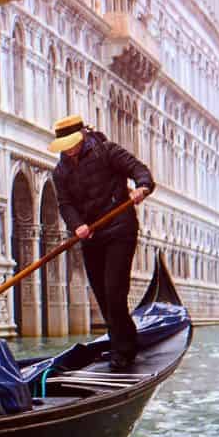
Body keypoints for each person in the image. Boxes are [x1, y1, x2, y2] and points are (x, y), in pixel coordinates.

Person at [48, 115, 154, 369]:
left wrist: (142, 187)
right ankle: (124, 340)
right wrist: (77, 225)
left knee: (115, 294)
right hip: (92, 236)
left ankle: (124, 352)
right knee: (102, 297)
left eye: (72, 144)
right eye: (65, 146)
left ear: (82, 136)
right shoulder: (60, 171)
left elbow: (140, 170)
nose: (69, 150)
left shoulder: (107, 151)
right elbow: (65, 204)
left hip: (120, 230)